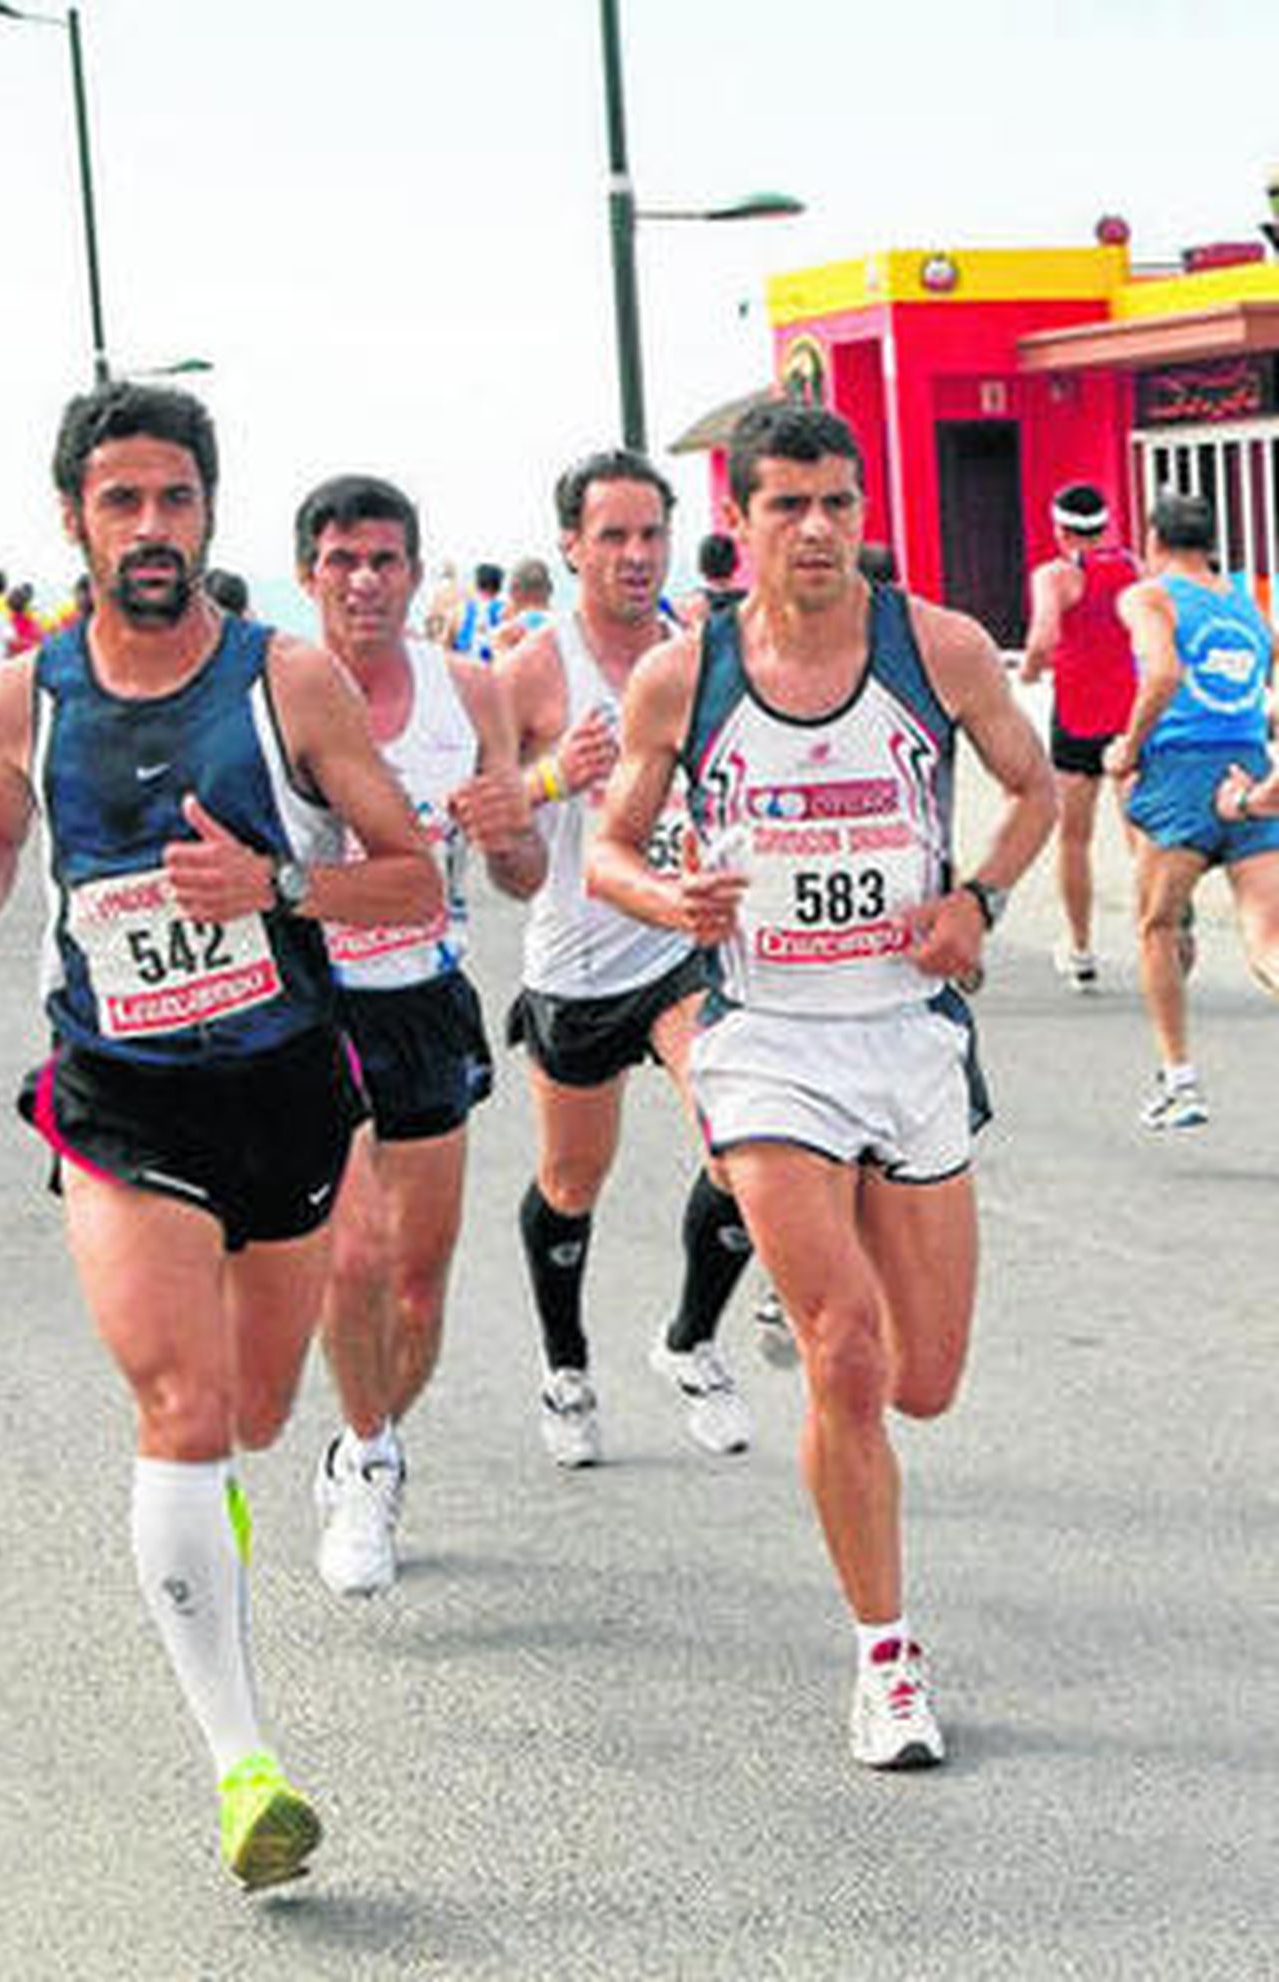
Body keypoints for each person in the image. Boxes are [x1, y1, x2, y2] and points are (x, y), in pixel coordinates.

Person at [0, 380, 438, 1891]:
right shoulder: (24, 690)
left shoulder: (289, 685)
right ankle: (244, 1769)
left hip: (282, 1088)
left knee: (259, 1413)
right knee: (180, 1404)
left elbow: (407, 880)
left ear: (209, 513)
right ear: (73, 518)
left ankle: (210, 1528)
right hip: (117, 1092)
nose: (153, 529)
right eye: (123, 501)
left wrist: (273, 890)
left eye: (177, 500)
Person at [586, 399, 1055, 1769]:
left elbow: (1030, 791)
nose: (819, 529)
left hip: (907, 1032)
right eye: (788, 504)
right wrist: (673, 897)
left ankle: (821, 1320)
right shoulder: (684, 677)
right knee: (850, 1353)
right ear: (739, 521)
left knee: (926, 1381)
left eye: (839, 501)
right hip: (767, 1038)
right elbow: (608, 850)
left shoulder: (940, 647)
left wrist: (978, 895)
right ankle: (886, 1658)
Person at [295, 473, 545, 1597]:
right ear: (308, 574)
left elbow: (522, 871)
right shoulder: (266, 691)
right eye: (342, 560)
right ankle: (369, 1457)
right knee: (350, 1253)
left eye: (383, 560)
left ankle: (366, 1441)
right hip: (304, 1006)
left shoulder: (471, 690)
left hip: (422, 994)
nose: (363, 581)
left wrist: (508, 840)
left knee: (417, 1283)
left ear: (413, 571)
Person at [495, 448, 758, 1466]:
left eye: (650, 533)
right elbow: (475, 813)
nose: (636, 554)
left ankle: (690, 1339)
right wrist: (556, 773)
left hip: (682, 946)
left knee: (737, 1140)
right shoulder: (531, 669)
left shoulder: (702, 650)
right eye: (612, 535)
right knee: (570, 1178)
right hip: (575, 960)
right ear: (570, 546)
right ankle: (565, 1368)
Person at [1106, 490, 1279, 1129]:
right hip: (1248, 765)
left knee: (1157, 924)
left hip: (1179, 771)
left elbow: (1162, 674)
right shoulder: (1246, 602)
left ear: (1152, 540)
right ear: (1211, 542)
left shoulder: (1149, 596)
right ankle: (1177, 1081)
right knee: (1267, 938)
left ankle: (1181, 1081)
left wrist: (1127, 747)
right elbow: (1266, 673)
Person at [1020, 484, 1140, 990]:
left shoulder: (1055, 575)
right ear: (1105, 525)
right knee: (1144, 838)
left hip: (1076, 716)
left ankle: (1082, 950)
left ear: (1060, 528)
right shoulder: (1135, 568)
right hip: (1130, 713)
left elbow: (1044, 636)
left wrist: (1028, 671)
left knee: (1074, 839)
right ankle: (1168, 936)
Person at [489, 555, 554, 658]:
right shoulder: (569, 627)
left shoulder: (507, 634)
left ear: (514, 590)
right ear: (550, 588)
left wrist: (498, 645)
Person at [450, 561, 505, 661]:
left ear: (476, 584)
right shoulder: (505, 612)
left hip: (463, 666)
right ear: (499, 588)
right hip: (491, 668)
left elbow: (445, 645)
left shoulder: (460, 610)